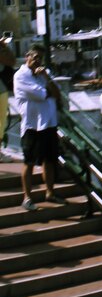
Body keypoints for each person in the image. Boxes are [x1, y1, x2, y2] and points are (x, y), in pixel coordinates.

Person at [14, 46, 60, 211]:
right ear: (27, 56)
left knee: (49, 160)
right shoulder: (20, 76)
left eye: (41, 58)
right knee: (29, 162)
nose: (38, 61)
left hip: (48, 123)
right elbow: (41, 94)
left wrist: (47, 78)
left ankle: (50, 193)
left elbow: (57, 93)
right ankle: (27, 197)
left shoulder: (43, 74)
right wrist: (48, 89)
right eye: (35, 57)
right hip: (32, 125)